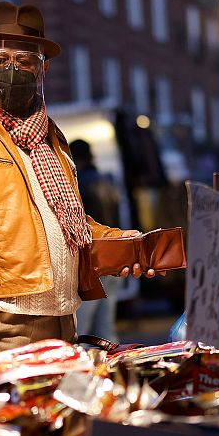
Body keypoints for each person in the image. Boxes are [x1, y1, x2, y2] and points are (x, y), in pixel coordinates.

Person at [0, 2, 155, 356]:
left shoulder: (52, 135)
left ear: (43, 68)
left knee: (63, 411)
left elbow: (66, 221)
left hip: (64, 316)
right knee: (3, 410)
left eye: (25, 61)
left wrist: (120, 241)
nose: (11, 68)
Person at [71, 138, 125, 341]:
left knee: (82, 330)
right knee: (106, 329)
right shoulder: (106, 181)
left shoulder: (77, 184)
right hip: (113, 261)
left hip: (93, 263)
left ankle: (88, 371)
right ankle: (113, 372)